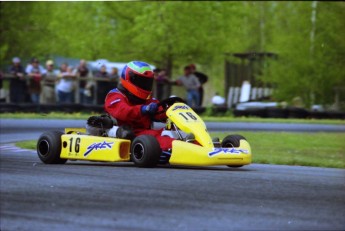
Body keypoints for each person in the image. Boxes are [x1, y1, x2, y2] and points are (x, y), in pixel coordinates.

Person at [103, 61, 174, 152]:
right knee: (164, 140)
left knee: (176, 134)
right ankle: (182, 150)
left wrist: (171, 111)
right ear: (130, 78)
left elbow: (159, 110)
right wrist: (143, 109)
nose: (145, 85)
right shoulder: (115, 95)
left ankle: (194, 148)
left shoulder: (146, 99)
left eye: (147, 82)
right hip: (129, 134)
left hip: (146, 135)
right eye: (142, 81)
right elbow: (123, 111)